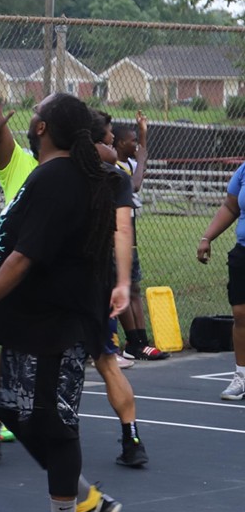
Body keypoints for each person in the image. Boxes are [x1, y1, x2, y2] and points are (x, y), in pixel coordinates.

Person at [0, 93, 129, 512]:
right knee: (12, 412)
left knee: (54, 423)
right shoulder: (66, 175)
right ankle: (86, 504)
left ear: (45, 128)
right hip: (40, 320)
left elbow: (23, 256)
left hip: (56, 321)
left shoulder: (59, 177)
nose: (29, 122)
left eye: (35, 116)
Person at [112, 114, 169, 360]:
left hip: (130, 234)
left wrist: (143, 131)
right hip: (116, 235)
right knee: (123, 286)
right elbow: (133, 186)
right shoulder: (113, 168)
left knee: (134, 287)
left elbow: (141, 154)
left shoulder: (130, 164)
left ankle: (141, 342)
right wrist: (143, 160)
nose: (135, 145)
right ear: (117, 143)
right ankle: (133, 342)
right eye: (131, 140)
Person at [194, 159, 245, 400]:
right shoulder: (244, 171)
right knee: (240, 314)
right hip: (243, 252)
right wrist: (207, 238)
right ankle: (241, 376)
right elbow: (231, 206)